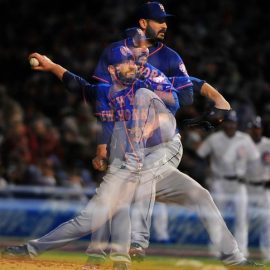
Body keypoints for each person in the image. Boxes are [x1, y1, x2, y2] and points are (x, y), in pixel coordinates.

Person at [1, 46, 178, 270]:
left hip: (147, 160)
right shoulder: (105, 92)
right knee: (91, 219)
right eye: (127, 62)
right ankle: (35, 250)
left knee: (126, 206)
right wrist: (52, 66)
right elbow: (77, 85)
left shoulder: (143, 89)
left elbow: (171, 106)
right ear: (113, 70)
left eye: (133, 62)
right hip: (120, 166)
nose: (133, 66)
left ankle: (123, 254)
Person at [197, 110, 260, 259]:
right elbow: (200, 154)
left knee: (242, 218)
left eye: (233, 123)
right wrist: (206, 169)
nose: (230, 126)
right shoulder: (214, 139)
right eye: (228, 122)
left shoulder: (244, 139)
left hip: (238, 183)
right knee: (217, 217)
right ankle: (215, 249)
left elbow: (255, 160)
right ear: (223, 123)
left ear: (237, 124)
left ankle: (242, 251)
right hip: (219, 182)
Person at [246, 116, 270, 262]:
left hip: (264, 189)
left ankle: (266, 255)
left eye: (258, 128)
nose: (256, 130)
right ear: (250, 129)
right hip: (247, 188)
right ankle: (240, 254)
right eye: (253, 128)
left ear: (261, 129)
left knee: (267, 224)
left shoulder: (268, 144)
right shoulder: (242, 144)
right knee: (242, 222)